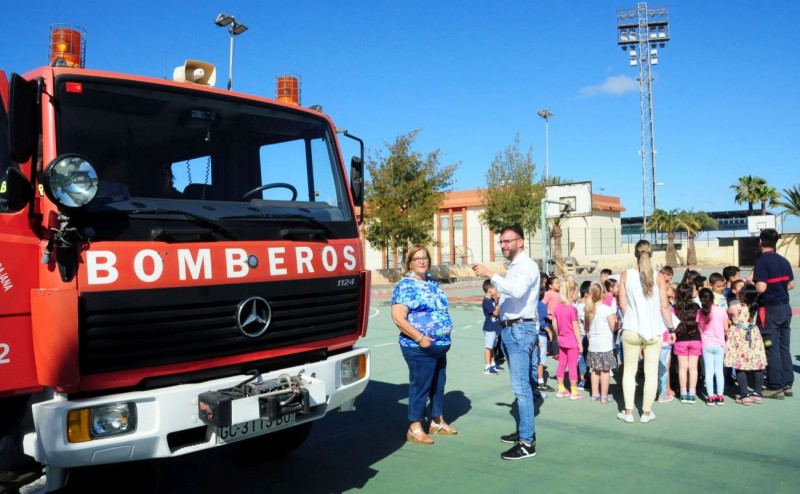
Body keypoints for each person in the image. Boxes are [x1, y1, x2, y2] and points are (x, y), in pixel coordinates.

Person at [473, 225, 540, 460]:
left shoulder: (527, 266)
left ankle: (527, 443)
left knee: (522, 390)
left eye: (507, 241)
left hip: (520, 330)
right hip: (513, 329)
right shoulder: (515, 267)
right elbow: (515, 296)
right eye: (501, 241)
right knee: (521, 388)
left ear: (521, 242)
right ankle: (524, 431)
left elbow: (519, 291)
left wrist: (490, 274)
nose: (503, 245)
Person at [391, 245, 457, 446]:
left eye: (425, 258)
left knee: (438, 385)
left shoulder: (432, 282)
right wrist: (421, 338)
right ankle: (415, 427)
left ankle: (437, 421)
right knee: (420, 386)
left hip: (440, 346)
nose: (422, 261)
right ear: (409, 262)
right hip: (419, 347)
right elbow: (398, 318)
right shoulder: (406, 286)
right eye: (417, 258)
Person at [616, 240, 674, 424]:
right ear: (651, 254)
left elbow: (623, 304)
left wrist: (631, 316)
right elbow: (664, 305)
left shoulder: (625, 275)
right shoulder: (659, 277)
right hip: (654, 330)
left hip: (631, 329)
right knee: (651, 373)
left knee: (629, 372)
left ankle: (628, 411)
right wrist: (671, 328)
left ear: (635, 254)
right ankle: (646, 413)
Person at [752, 228, 795, 399]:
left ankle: (775, 385)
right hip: (785, 307)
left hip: (769, 309)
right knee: (784, 347)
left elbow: (761, 287)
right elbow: (791, 284)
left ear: (761, 241)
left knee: (771, 346)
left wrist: (749, 292)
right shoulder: (784, 261)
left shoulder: (762, 261)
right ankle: (786, 383)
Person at [725, 284, 767, 405]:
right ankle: (757, 393)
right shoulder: (755, 307)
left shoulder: (734, 307)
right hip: (754, 336)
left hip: (739, 337)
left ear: (742, 295)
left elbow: (727, 314)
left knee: (740, 366)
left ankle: (744, 394)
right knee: (757, 365)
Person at [585, 282, 618, 404]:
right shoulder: (607, 309)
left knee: (595, 370)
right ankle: (604, 396)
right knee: (605, 371)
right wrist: (619, 323)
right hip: (605, 345)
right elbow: (613, 326)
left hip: (593, 345)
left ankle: (594, 394)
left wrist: (589, 335)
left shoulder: (589, 309)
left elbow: (586, 327)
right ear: (603, 294)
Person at [697, 288, 729, 406]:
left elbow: (700, 328)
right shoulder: (721, 310)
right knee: (719, 371)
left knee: (709, 372)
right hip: (720, 343)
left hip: (706, 344)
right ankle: (720, 396)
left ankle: (710, 397)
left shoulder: (700, 312)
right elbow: (726, 329)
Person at [553, 280, 582, 400]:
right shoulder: (572, 309)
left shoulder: (557, 307)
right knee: (572, 366)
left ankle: (561, 388)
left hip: (562, 339)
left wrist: (558, 334)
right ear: (571, 293)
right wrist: (580, 343)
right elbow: (576, 328)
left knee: (562, 364)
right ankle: (574, 391)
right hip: (572, 341)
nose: (577, 295)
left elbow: (554, 322)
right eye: (576, 292)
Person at [673, 282, 701, 404]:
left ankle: (683, 392)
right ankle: (692, 392)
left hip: (680, 339)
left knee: (682, 368)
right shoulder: (696, 306)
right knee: (693, 368)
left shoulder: (675, 307)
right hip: (695, 338)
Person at [657, 282, 678, 403]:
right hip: (665, 341)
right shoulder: (669, 309)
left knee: (654, 368)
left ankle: (659, 390)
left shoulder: (652, 308)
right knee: (664, 368)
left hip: (654, 340)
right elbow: (673, 324)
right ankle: (663, 393)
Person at [482, 279, 504, 375]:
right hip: (490, 327)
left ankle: (493, 364)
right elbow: (495, 312)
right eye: (495, 289)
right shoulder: (486, 301)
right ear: (489, 290)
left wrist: (496, 300)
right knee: (488, 347)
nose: (496, 291)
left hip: (495, 326)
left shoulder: (491, 300)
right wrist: (498, 303)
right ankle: (487, 367)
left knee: (493, 347)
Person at [536, 289, 554, 394]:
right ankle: (541, 383)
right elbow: (541, 321)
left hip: (531, 334)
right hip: (541, 335)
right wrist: (549, 331)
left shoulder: (530, 305)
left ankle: (533, 381)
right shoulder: (541, 305)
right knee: (541, 361)